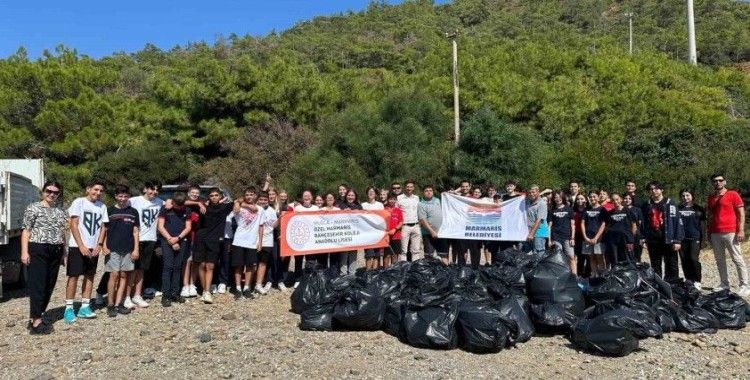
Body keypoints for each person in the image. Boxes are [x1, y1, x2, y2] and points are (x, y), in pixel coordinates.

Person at [21, 181, 67, 334]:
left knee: (49, 284)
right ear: (43, 191)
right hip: (38, 248)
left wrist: (64, 253)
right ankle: (35, 322)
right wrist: (24, 252)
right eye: (49, 191)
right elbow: (26, 231)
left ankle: (37, 315)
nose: (52, 194)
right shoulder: (33, 208)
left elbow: (62, 233)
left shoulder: (60, 211)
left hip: (56, 250)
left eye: (55, 192)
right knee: (38, 284)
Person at [64, 179, 109, 323]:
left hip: (93, 247)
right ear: (88, 189)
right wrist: (81, 245)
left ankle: (84, 306)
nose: (98, 193)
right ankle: (69, 308)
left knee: (90, 275)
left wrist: (99, 244)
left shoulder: (102, 206)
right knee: (74, 276)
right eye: (96, 189)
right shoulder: (79, 202)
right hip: (78, 247)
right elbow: (74, 225)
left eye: (101, 191)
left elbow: (103, 227)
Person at [707, 174, 749, 295]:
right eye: (715, 181)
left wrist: (741, 230)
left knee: (737, 258)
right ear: (713, 183)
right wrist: (709, 232)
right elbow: (710, 217)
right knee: (719, 260)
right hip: (715, 232)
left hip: (731, 231)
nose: (718, 183)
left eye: (720, 180)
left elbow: (741, 213)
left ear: (725, 182)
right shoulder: (711, 197)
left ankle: (744, 285)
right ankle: (724, 284)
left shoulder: (733, 194)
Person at [124, 181, 164, 309]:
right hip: (136, 239)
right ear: (145, 189)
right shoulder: (134, 201)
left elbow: (175, 203)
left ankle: (137, 295)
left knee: (142, 269)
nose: (154, 192)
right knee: (131, 269)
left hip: (151, 239)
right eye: (152, 189)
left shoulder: (160, 202)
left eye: (157, 190)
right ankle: (126, 296)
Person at [102, 185, 139, 317]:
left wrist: (136, 249)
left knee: (124, 275)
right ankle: (110, 304)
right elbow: (104, 230)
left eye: (125, 196)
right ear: (115, 196)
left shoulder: (133, 212)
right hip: (112, 248)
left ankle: (119, 304)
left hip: (128, 249)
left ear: (128, 197)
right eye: (120, 196)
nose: (122, 199)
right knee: (114, 275)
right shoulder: (109, 210)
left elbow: (135, 231)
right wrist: (103, 246)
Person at [192, 187, 234, 304]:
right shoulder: (203, 206)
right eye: (211, 196)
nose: (214, 197)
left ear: (220, 196)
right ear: (208, 197)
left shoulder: (224, 207)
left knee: (210, 266)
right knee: (201, 265)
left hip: (214, 240)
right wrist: (199, 204)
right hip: (201, 239)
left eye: (216, 195)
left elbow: (239, 200)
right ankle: (205, 290)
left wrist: (237, 205)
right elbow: (183, 201)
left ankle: (207, 291)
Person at [157, 192, 194, 307]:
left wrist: (178, 238)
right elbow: (160, 226)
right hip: (166, 240)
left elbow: (188, 227)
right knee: (168, 267)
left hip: (181, 240)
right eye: (177, 205)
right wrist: (170, 239)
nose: (179, 208)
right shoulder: (165, 209)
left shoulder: (186, 210)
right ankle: (166, 295)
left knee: (178, 267)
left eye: (181, 205)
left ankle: (175, 293)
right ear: (173, 202)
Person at [642, 181, 684, 281]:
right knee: (655, 264)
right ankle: (659, 287)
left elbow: (677, 221)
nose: (653, 191)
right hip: (653, 239)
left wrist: (677, 240)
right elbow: (643, 223)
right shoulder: (647, 205)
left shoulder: (670, 203)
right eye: (651, 189)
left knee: (671, 264)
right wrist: (643, 238)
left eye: (656, 188)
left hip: (668, 239)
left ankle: (673, 286)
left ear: (661, 190)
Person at [231, 187, 264, 299]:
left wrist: (260, 241)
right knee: (238, 265)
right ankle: (238, 288)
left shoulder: (260, 209)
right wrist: (239, 203)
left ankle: (247, 287)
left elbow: (261, 225)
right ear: (244, 196)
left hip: (252, 241)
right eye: (247, 194)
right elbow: (235, 211)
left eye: (252, 194)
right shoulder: (239, 205)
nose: (249, 196)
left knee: (250, 265)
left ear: (255, 196)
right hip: (239, 240)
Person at [678, 189, 706, 289]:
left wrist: (703, 240)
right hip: (681, 238)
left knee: (693, 259)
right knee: (684, 260)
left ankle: (697, 280)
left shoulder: (699, 209)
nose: (685, 198)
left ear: (692, 196)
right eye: (683, 196)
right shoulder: (678, 208)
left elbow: (703, 226)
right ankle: (688, 279)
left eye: (687, 195)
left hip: (695, 238)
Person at [602, 193, 637, 268]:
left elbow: (634, 224)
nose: (615, 201)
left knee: (630, 257)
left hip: (627, 240)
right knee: (615, 259)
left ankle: (632, 274)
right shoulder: (609, 213)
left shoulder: (628, 211)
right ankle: (616, 276)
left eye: (617, 199)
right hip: (613, 240)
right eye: (613, 200)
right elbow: (606, 225)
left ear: (621, 199)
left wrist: (631, 236)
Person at [292, 190, 319, 285]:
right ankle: (298, 279)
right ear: (302, 198)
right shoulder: (297, 208)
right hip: (300, 238)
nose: (307, 197)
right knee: (298, 259)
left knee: (311, 260)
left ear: (312, 198)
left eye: (308, 196)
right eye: (305, 196)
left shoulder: (316, 208)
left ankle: (309, 278)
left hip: (312, 239)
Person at [181, 186, 203, 298]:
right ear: (188, 193)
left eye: (197, 193)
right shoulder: (184, 204)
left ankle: (192, 284)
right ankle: (185, 285)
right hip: (186, 237)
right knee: (187, 261)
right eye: (193, 192)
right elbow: (182, 202)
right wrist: (198, 204)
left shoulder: (202, 204)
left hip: (199, 238)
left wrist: (200, 204)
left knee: (195, 262)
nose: (195, 194)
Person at [255, 191, 278, 295]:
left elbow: (273, 225)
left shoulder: (272, 211)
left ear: (268, 200)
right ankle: (249, 284)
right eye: (261, 199)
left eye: (265, 200)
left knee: (263, 263)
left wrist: (281, 218)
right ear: (257, 200)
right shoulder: (253, 209)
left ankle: (258, 285)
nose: (263, 201)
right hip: (253, 239)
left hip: (267, 240)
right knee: (252, 263)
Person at [548, 191, 576, 274]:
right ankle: (561, 276)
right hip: (556, 237)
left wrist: (572, 238)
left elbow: (573, 225)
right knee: (558, 258)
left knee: (571, 257)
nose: (557, 199)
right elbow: (549, 226)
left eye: (559, 197)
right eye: (555, 197)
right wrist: (549, 240)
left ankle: (574, 277)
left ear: (563, 197)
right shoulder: (551, 210)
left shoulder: (569, 209)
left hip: (567, 237)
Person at [419, 185, 447, 264]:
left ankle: (445, 273)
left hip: (441, 233)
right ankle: (429, 274)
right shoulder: (421, 204)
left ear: (433, 192)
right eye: (426, 190)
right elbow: (423, 220)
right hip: (428, 233)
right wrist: (432, 231)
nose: (429, 192)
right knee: (429, 256)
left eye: (430, 190)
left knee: (443, 255)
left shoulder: (438, 200)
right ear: (423, 193)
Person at [581, 191, 606, 276]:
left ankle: (602, 276)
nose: (592, 198)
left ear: (598, 197)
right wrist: (585, 237)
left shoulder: (602, 209)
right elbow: (582, 223)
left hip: (599, 238)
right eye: (591, 197)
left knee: (599, 257)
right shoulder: (586, 209)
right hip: (587, 237)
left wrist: (596, 237)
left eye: (594, 196)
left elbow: (603, 224)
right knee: (591, 258)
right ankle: (594, 275)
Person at [397, 181, 422, 262]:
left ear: (413, 188)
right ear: (405, 187)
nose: (409, 188)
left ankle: (415, 268)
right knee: (403, 251)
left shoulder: (417, 198)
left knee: (416, 250)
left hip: (416, 225)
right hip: (405, 226)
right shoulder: (399, 198)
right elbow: (397, 212)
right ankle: (404, 268)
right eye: (407, 186)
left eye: (411, 187)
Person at [338, 189, 362, 275]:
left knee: (353, 255)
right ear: (346, 196)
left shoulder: (359, 206)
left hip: (354, 235)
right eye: (349, 195)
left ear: (355, 197)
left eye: (352, 195)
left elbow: (363, 219)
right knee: (344, 256)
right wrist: (341, 212)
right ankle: (343, 275)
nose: (350, 197)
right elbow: (334, 218)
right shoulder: (341, 205)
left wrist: (358, 213)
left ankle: (352, 274)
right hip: (344, 234)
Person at [362, 187, 384, 270]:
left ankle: (374, 272)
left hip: (378, 232)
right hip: (367, 233)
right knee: (368, 254)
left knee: (377, 254)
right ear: (367, 194)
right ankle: (368, 272)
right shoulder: (363, 205)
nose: (371, 193)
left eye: (373, 192)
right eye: (369, 192)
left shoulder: (380, 205)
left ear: (375, 194)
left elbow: (382, 218)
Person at [523, 185, 549, 258]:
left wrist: (531, 234)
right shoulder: (528, 202)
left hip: (539, 233)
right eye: (530, 193)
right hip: (529, 232)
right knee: (528, 255)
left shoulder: (542, 204)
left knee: (538, 254)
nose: (531, 194)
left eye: (533, 192)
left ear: (538, 192)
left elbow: (539, 220)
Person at [623, 193, 645, 263]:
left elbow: (641, 223)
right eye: (625, 198)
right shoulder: (621, 210)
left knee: (637, 255)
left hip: (636, 236)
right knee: (628, 254)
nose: (627, 200)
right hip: (626, 237)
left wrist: (642, 237)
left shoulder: (637, 210)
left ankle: (637, 271)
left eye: (629, 199)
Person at [572, 194, 590, 277]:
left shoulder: (588, 210)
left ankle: (587, 274)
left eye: (582, 199)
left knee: (588, 256)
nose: (580, 200)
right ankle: (579, 275)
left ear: (585, 200)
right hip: (576, 235)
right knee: (579, 256)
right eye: (578, 199)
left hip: (587, 235)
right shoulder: (573, 210)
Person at [384, 192, 403, 268]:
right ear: (387, 199)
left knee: (395, 255)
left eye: (394, 199)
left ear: (396, 200)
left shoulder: (398, 210)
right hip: (386, 236)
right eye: (390, 199)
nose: (392, 201)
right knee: (387, 255)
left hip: (396, 235)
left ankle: (393, 271)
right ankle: (385, 271)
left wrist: (395, 229)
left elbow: (401, 222)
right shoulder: (383, 209)